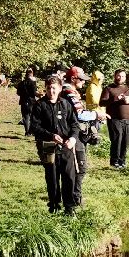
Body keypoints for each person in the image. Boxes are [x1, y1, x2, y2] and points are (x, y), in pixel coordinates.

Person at [28, 75, 82, 214]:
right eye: (48, 88)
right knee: (52, 177)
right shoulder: (39, 105)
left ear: (59, 89)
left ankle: (69, 207)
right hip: (48, 146)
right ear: (45, 89)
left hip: (66, 146)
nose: (51, 91)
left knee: (69, 176)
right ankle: (54, 206)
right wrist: (50, 135)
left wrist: (73, 138)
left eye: (54, 88)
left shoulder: (66, 104)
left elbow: (75, 124)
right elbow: (34, 127)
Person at [100, 68, 129, 169]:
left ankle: (122, 161)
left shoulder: (128, 88)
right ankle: (114, 162)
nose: (121, 78)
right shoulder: (109, 88)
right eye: (119, 76)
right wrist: (115, 98)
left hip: (127, 120)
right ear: (115, 76)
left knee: (125, 141)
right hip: (114, 120)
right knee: (117, 140)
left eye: (123, 76)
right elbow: (102, 102)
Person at [15, 69, 38, 133]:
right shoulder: (32, 83)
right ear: (32, 74)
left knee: (25, 117)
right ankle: (31, 131)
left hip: (23, 101)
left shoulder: (21, 83)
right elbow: (34, 93)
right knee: (32, 116)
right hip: (31, 101)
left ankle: (27, 131)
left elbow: (18, 93)